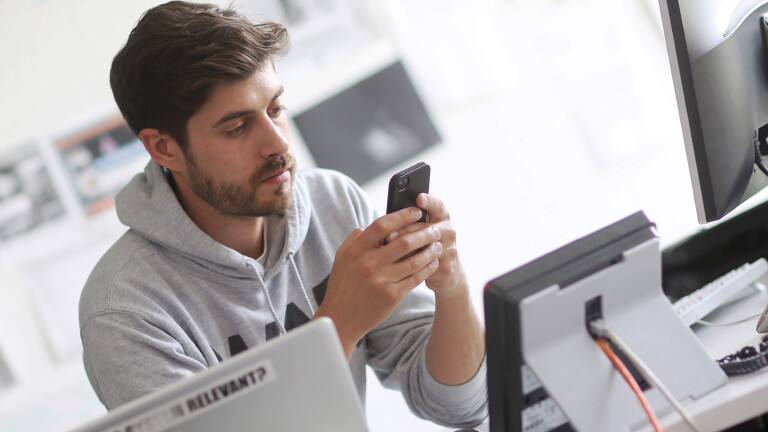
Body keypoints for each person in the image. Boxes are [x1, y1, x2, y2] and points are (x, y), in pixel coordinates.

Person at [79, 1, 487, 428]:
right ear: (164, 148)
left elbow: (460, 407)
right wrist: (337, 327)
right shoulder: (124, 310)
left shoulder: (333, 201)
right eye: (237, 128)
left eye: (275, 109)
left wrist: (452, 285)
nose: (278, 145)